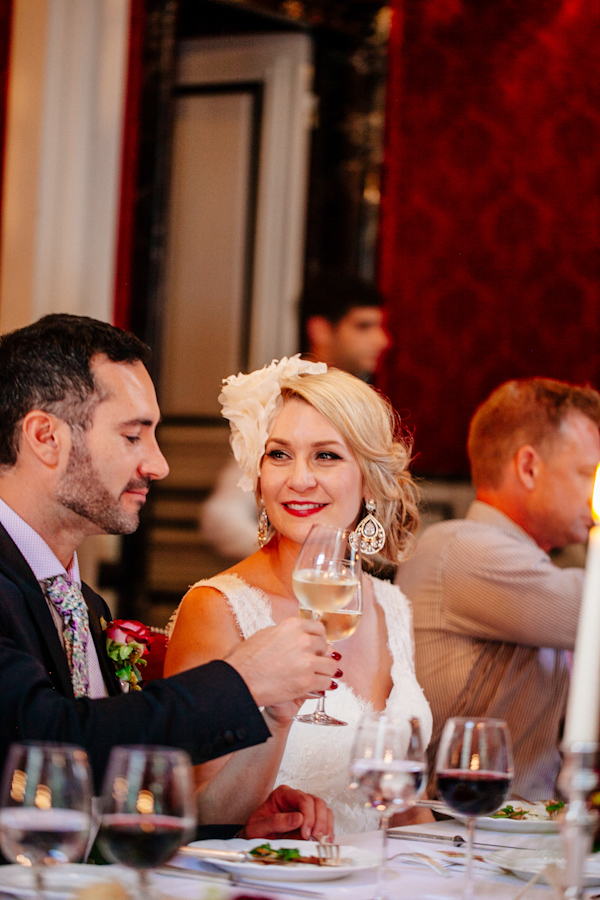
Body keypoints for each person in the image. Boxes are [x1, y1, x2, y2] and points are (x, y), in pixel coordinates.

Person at [0, 314, 338, 839]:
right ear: (46, 438)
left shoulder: (82, 602)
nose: (158, 465)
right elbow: (46, 743)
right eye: (133, 435)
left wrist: (232, 834)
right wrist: (239, 682)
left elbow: (97, 800)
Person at [165, 356, 433, 834]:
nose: (298, 479)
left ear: (368, 478)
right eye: (279, 454)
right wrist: (276, 717)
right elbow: (200, 815)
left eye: (326, 455)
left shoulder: (392, 605)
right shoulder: (218, 608)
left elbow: (408, 805)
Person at [396, 377, 600, 800]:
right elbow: (591, 609)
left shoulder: (541, 565)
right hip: (449, 836)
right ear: (528, 468)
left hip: (518, 834)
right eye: (588, 474)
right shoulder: (461, 548)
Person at [200, 272, 391, 560]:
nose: (381, 340)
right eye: (363, 326)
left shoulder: (363, 405)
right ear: (320, 330)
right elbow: (222, 515)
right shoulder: (283, 405)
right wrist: (292, 560)